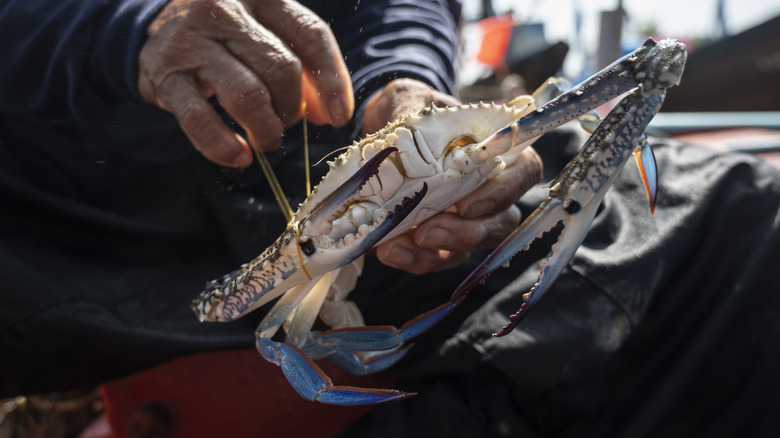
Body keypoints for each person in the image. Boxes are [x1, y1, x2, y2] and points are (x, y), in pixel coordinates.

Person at [2, 1, 780, 438]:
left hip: (360, 162)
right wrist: (120, 30)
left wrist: (404, 81)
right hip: (49, 223)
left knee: (747, 221)